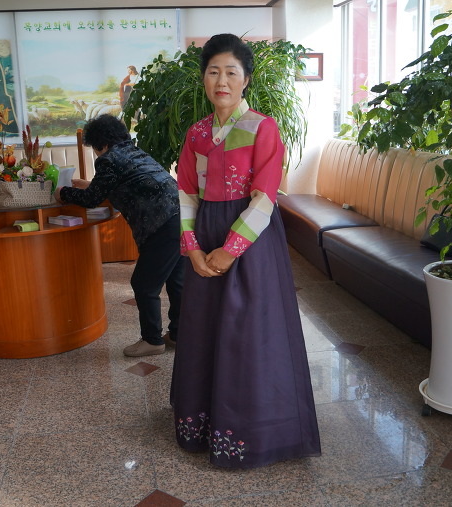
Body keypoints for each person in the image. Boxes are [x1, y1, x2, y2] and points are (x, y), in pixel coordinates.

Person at [170, 33, 321, 468]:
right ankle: (203, 425)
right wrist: (193, 248)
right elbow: (186, 192)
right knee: (204, 329)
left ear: (246, 79)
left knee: (249, 333)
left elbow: (265, 196)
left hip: (251, 244)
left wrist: (230, 250)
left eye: (231, 72)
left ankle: (255, 433)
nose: (222, 81)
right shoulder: (197, 134)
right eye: (213, 72)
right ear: (204, 79)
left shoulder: (262, 127)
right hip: (205, 236)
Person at [55, 114, 184, 357]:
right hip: (181, 216)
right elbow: (121, 184)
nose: (96, 152)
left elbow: (92, 199)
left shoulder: (108, 159)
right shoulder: (133, 152)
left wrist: (63, 193)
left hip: (161, 223)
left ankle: (152, 341)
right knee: (177, 280)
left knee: (144, 284)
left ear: (100, 143)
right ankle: (179, 334)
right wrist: (88, 184)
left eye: (94, 148)